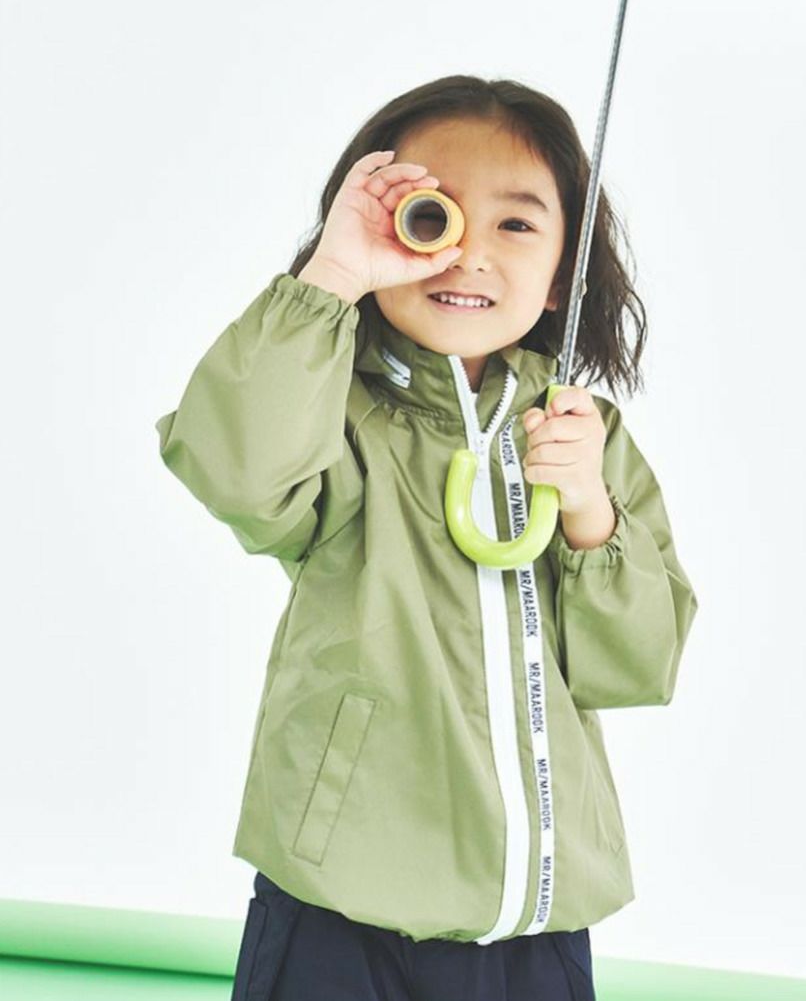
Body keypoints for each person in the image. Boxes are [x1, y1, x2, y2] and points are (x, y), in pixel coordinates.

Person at [155, 74, 699, 1001]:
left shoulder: (584, 435)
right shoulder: (336, 411)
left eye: (517, 224)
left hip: (535, 929)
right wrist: (331, 278)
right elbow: (232, 467)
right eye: (432, 215)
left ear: (563, 274)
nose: (469, 255)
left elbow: (638, 665)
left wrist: (587, 512)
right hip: (338, 915)